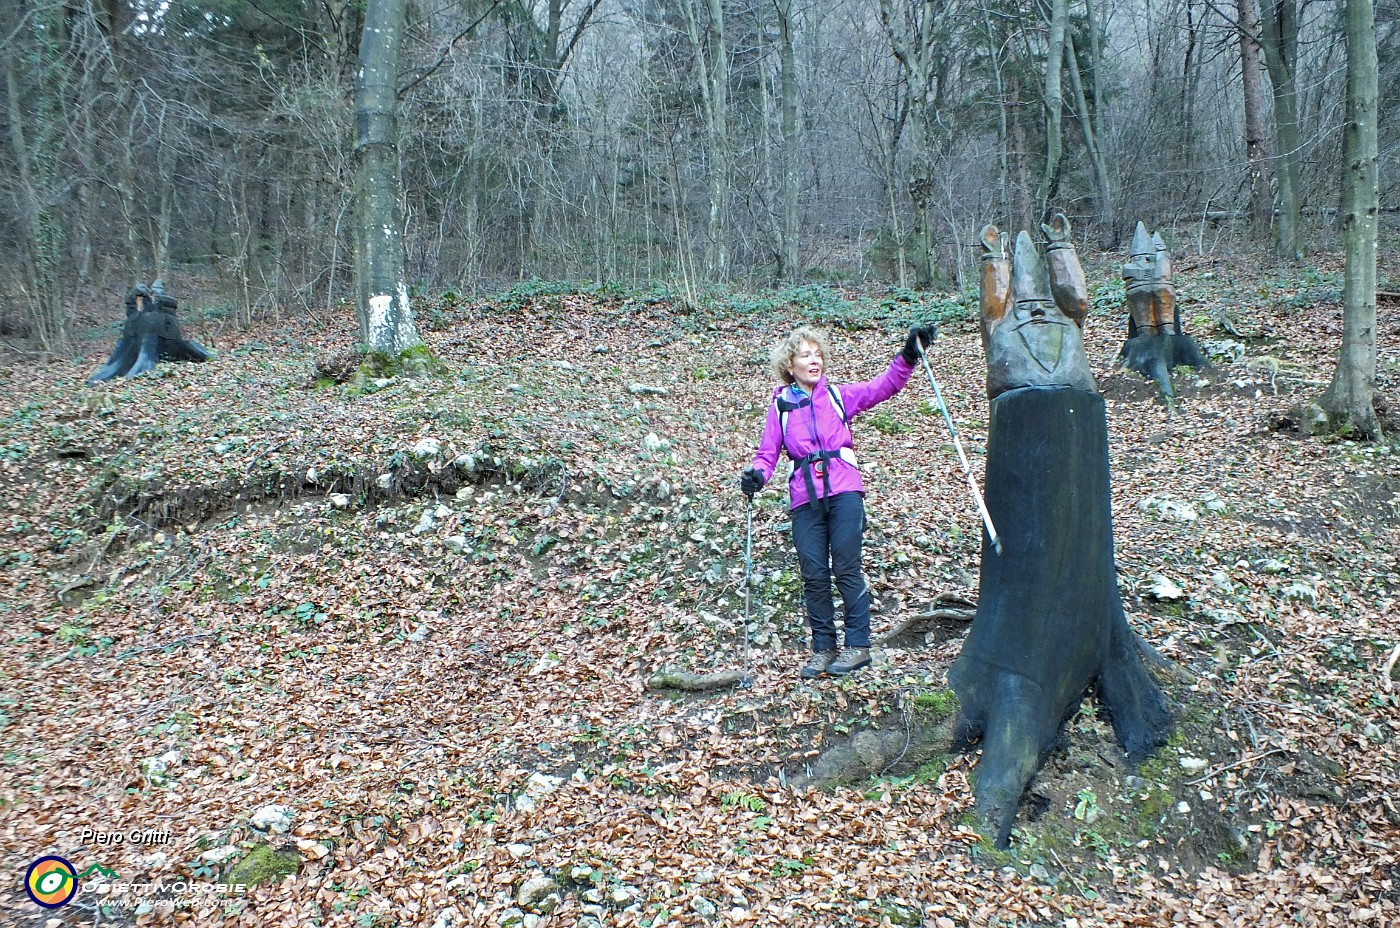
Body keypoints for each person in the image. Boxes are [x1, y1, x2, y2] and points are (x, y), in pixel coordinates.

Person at [741, 324, 936, 679]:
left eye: (818, 355)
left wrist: (908, 355)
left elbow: (884, 386)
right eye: (805, 355)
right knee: (813, 574)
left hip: (845, 490)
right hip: (804, 498)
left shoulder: (837, 396)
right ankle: (823, 649)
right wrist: (756, 475)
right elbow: (767, 455)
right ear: (790, 364)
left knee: (847, 567)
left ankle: (858, 646)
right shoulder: (781, 407)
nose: (814, 361)